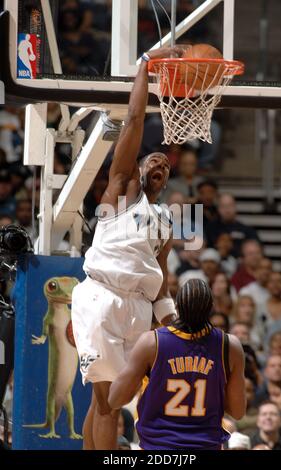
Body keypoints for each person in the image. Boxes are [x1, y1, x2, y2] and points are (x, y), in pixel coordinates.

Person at [71, 45, 186, 450]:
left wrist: (172, 325)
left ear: (167, 180)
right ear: (136, 169)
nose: (158, 165)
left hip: (138, 309)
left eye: (165, 166)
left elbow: (162, 282)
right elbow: (135, 118)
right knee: (109, 403)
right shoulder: (121, 190)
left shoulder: (167, 222)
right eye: (152, 160)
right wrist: (145, 68)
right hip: (104, 297)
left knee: (104, 401)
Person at [109, 279, 246, 450]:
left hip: (158, 448)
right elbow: (238, 411)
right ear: (211, 308)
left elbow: (115, 399)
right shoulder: (229, 346)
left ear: (177, 306)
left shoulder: (152, 342)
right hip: (206, 445)